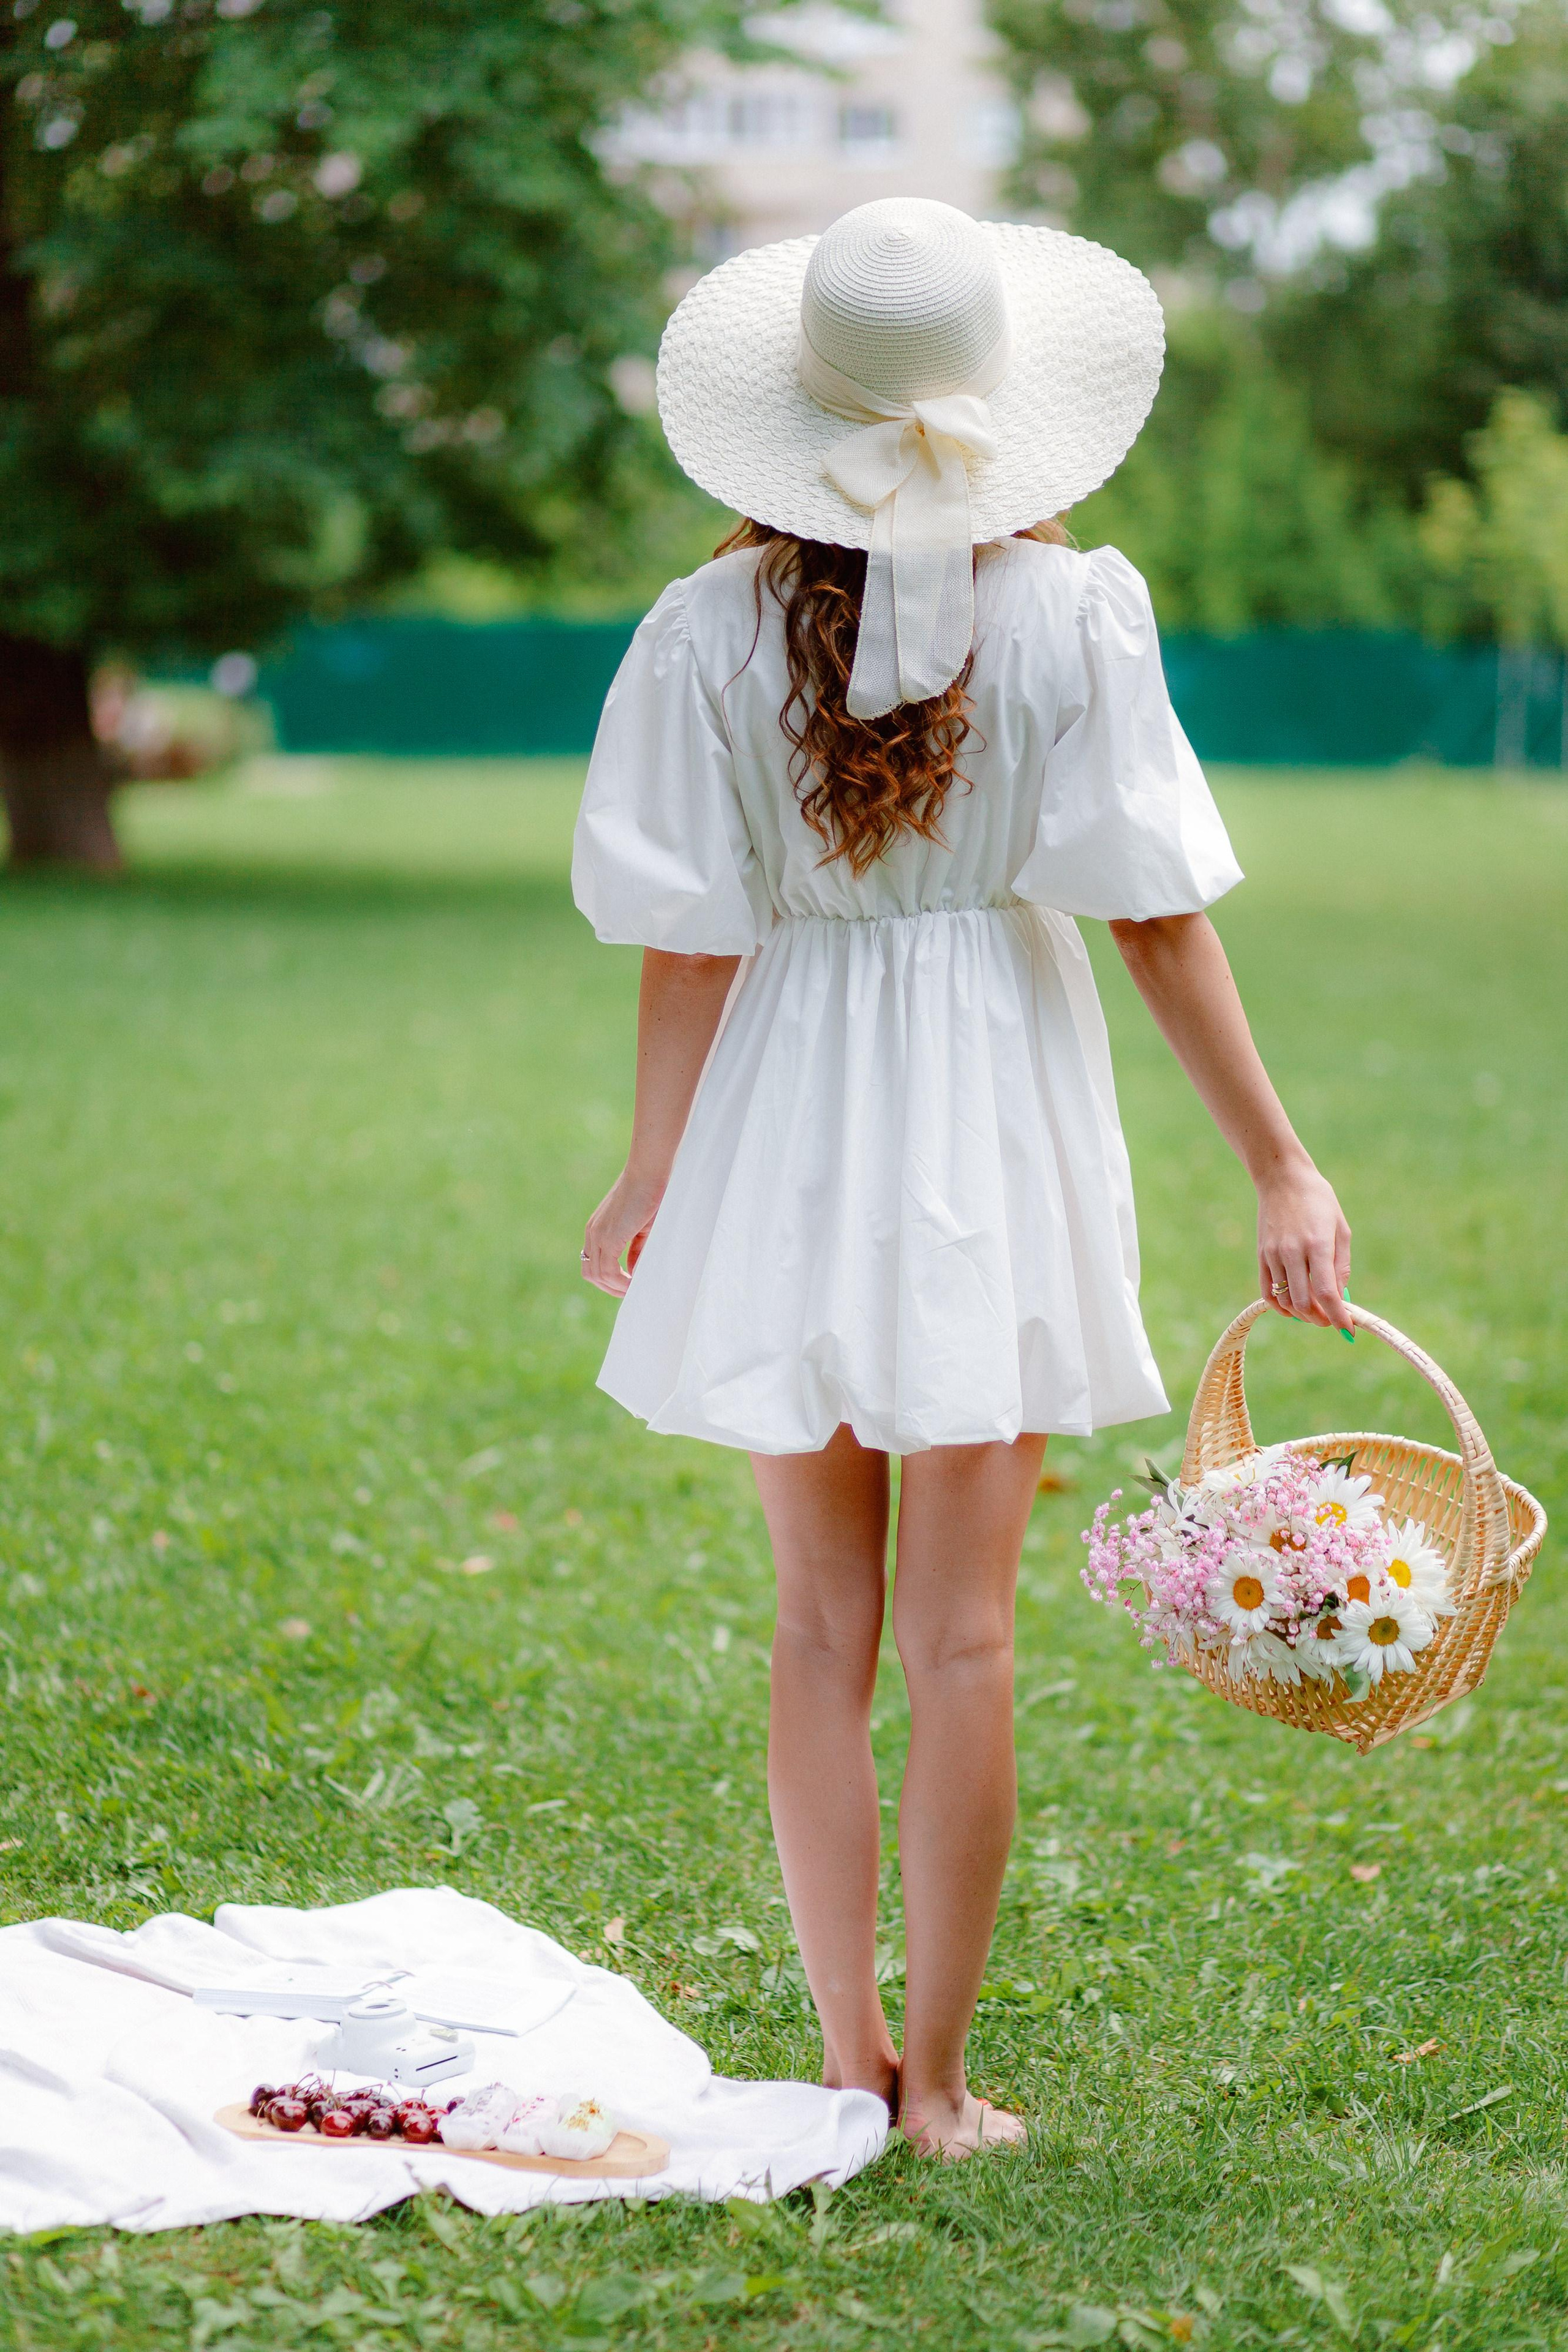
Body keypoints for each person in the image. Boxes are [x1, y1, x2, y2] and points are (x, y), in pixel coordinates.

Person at [572, 199, 1352, 2160]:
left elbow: (689, 939)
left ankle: (845, 2053)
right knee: (967, 1638)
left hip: (786, 1112)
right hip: (991, 1107)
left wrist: (658, 1167)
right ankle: (934, 2084)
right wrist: (1280, 1158)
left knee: (819, 1626)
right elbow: (1156, 921)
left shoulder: (700, 630)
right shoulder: (1079, 611)